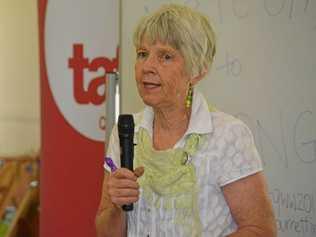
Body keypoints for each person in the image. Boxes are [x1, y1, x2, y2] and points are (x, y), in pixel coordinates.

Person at [96, 4, 277, 237]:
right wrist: (116, 207)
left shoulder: (227, 135)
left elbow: (260, 230)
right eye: (143, 54)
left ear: (197, 71)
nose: (147, 67)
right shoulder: (125, 132)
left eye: (165, 56)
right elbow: (104, 232)